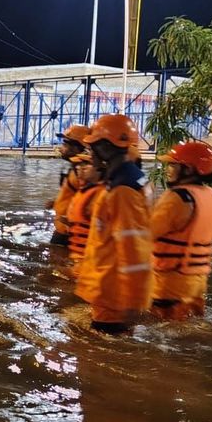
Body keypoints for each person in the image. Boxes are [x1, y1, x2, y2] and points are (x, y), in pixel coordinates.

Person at [74, 114, 152, 335]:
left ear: (106, 149)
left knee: (98, 356)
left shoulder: (122, 191)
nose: (90, 155)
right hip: (111, 288)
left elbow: (132, 247)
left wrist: (133, 298)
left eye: (92, 149)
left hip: (113, 292)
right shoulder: (132, 180)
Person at [150, 141, 212, 320]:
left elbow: (145, 234)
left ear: (189, 169)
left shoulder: (177, 198)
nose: (168, 169)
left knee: (162, 330)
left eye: (173, 165)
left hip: (170, 283)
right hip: (197, 282)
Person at [48, 125, 89, 245]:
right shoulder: (74, 167)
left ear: (76, 148)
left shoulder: (81, 170)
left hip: (69, 230)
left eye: (65, 145)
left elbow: (88, 201)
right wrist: (56, 202)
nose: (61, 148)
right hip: (65, 227)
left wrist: (72, 221)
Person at [63, 152, 104, 266]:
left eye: (86, 164)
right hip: (78, 259)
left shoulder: (99, 195)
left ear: (100, 168)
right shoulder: (85, 191)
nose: (79, 167)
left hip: (89, 263)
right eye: (79, 164)